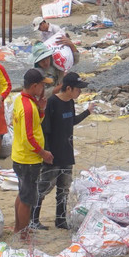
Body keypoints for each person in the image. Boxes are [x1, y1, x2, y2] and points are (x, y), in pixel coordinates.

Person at [36, 71, 92, 229]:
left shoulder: (70, 102)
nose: (80, 92)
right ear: (68, 88)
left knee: (64, 189)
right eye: (78, 89)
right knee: (44, 187)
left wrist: (87, 112)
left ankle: (60, 220)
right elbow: (45, 130)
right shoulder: (52, 103)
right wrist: (46, 152)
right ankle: (34, 220)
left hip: (67, 153)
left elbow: (71, 120)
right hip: (53, 155)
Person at [10, 68, 52, 237]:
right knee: (27, 199)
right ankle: (23, 233)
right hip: (27, 159)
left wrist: (41, 110)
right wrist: (43, 153)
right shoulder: (27, 106)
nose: (43, 88)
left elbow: (34, 125)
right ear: (34, 86)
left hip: (20, 156)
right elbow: (29, 137)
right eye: (42, 85)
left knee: (22, 194)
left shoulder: (21, 99)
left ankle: (18, 229)